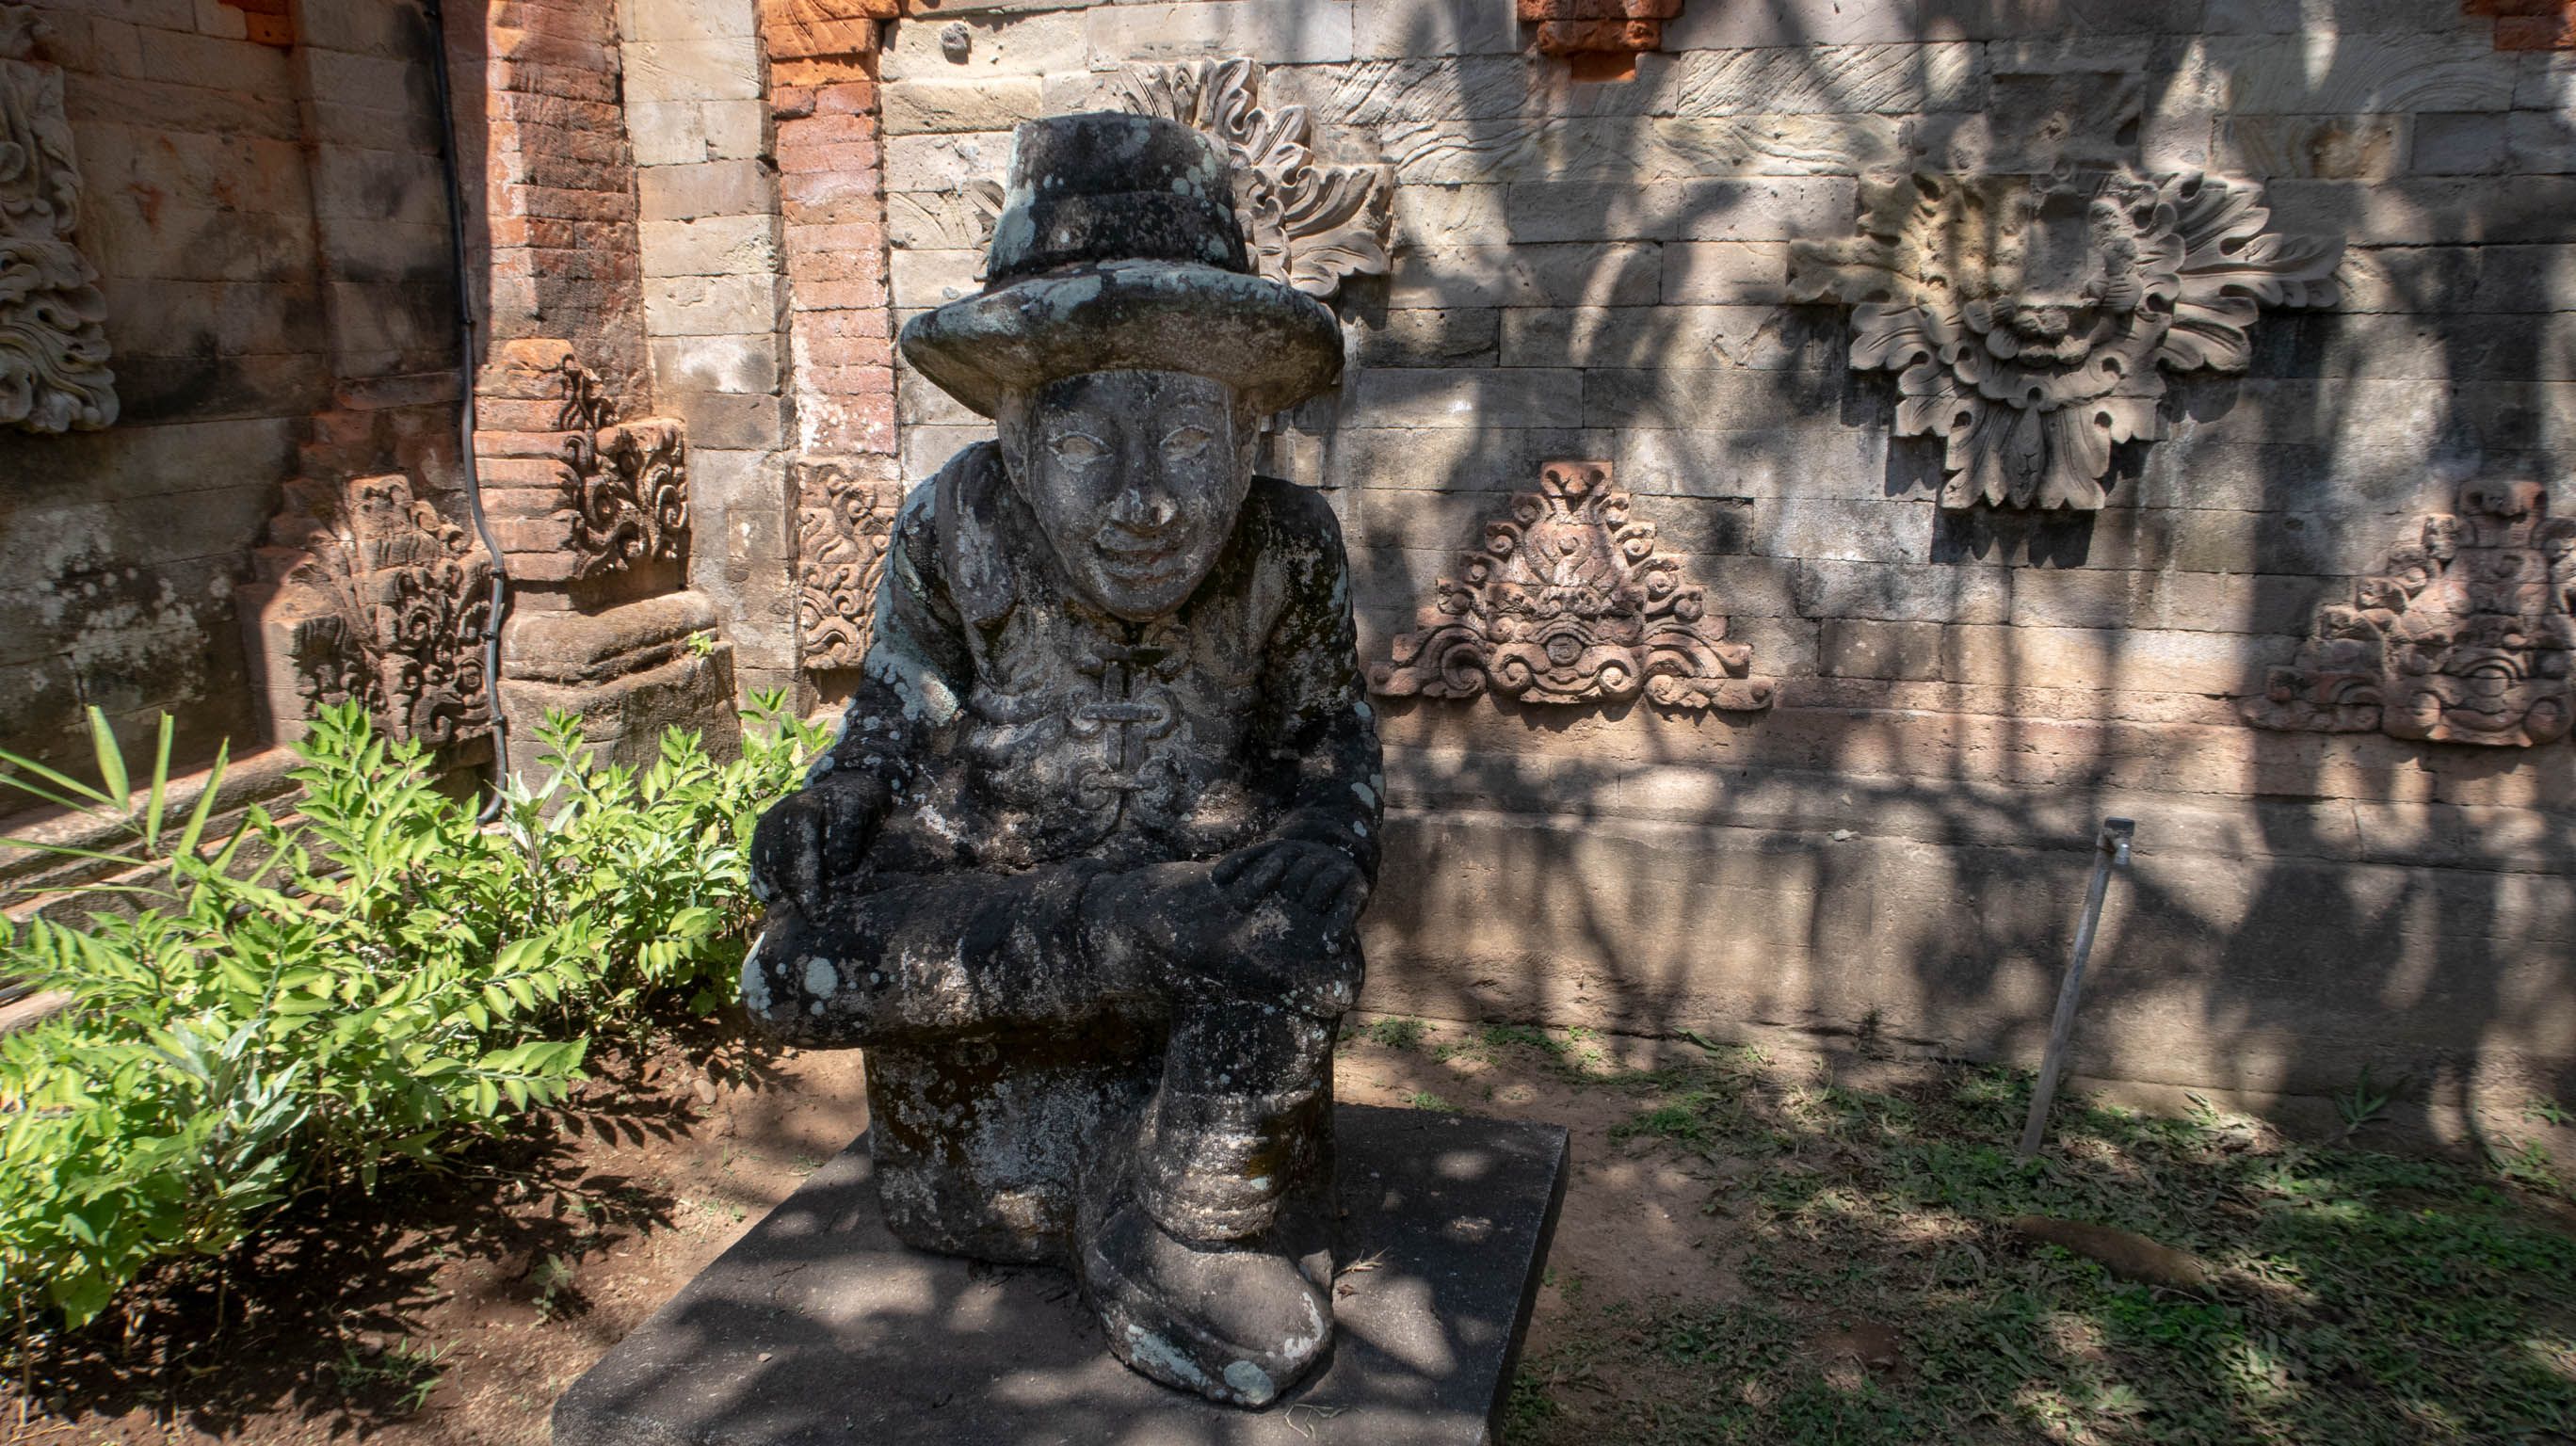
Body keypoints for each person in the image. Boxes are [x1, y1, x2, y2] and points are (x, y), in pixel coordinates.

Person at [740, 111, 1382, 1408]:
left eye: (1192, 448)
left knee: (1289, 940)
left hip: (1212, 919)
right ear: (1020, 448)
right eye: (1089, 448)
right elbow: (894, 717)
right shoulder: (954, 524)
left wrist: (1322, 845)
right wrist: (836, 799)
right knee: (790, 967)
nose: (1146, 502)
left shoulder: (1287, 546)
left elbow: (1330, 752)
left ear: (1250, 439)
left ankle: (1163, 1209)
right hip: (995, 900)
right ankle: (1137, 1197)